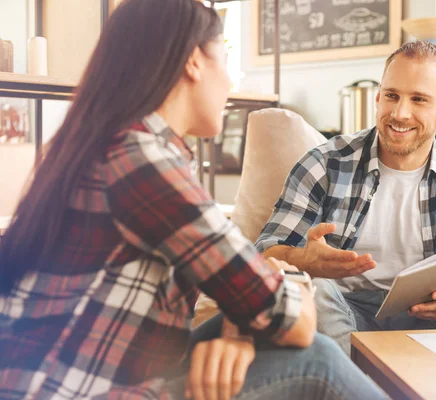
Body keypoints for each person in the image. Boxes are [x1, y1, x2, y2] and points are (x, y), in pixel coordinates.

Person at [0, 1, 387, 399]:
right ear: (193, 61)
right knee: (315, 359)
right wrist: (289, 270)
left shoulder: (105, 146)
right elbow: (295, 321)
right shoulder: (143, 160)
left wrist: (242, 324)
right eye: (225, 59)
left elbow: (244, 283)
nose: (231, 80)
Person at [257, 40, 436, 356]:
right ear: (379, 97)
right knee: (315, 291)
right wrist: (306, 261)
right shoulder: (324, 163)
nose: (400, 113)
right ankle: (360, 385)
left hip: (432, 314)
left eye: (419, 99)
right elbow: (266, 250)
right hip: (348, 311)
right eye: (392, 96)